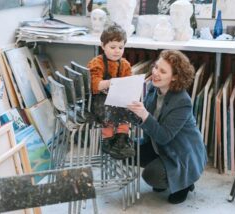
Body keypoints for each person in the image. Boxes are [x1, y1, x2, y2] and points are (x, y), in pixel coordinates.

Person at [127, 50, 207, 204]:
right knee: (126, 151)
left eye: (162, 71)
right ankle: (169, 176)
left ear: (175, 77)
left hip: (182, 153)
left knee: (151, 176)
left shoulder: (182, 101)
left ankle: (185, 183)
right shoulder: (153, 88)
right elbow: (148, 122)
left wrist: (143, 114)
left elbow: (164, 136)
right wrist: (130, 109)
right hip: (158, 145)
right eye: (156, 67)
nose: (155, 73)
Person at [87, 23, 138, 159]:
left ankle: (122, 139)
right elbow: (95, 85)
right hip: (99, 101)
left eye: (121, 47)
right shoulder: (97, 63)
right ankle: (107, 140)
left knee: (129, 108)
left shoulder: (125, 64)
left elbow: (128, 85)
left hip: (118, 99)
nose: (117, 51)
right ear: (103, 46)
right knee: (109, 110)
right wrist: (111, 83)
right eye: (113, 47)